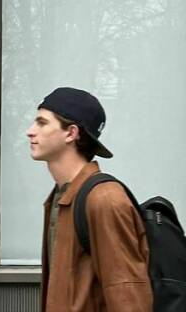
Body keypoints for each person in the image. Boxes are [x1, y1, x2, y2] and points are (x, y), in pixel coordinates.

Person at [26, 87, 153, 312]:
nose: (30, 131)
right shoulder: (61, 196)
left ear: (71, 133)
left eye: (42, 123)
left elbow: (129, 297)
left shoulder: (104, 199)